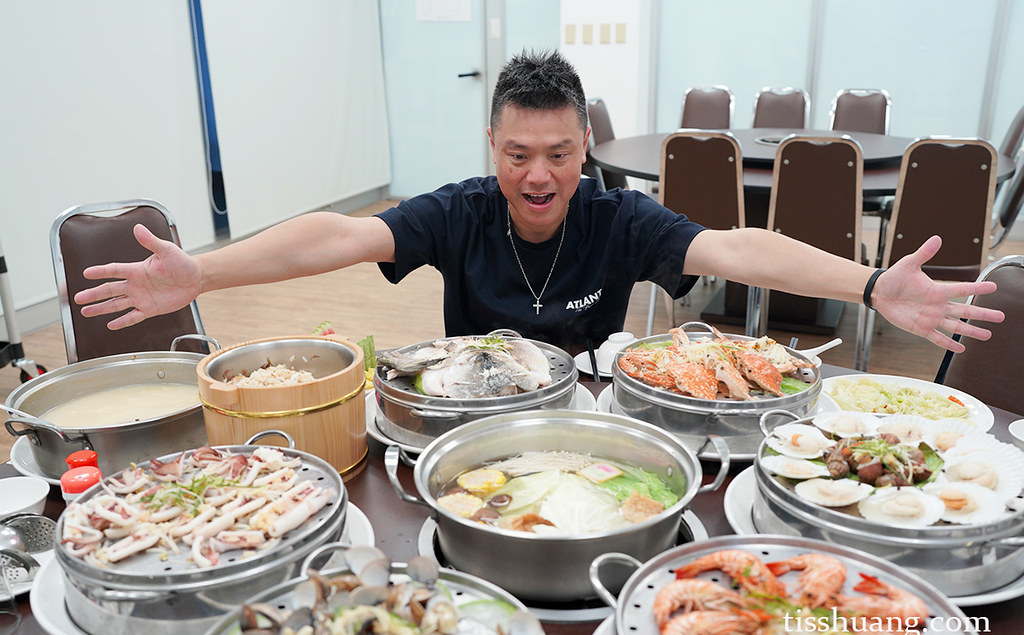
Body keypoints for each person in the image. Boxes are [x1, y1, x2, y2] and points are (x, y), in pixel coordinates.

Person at [74, 50, 1002, 356]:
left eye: (559, 153)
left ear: (584, 147)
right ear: (493, 148)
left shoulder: (617, 218)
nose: (538, 175)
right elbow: (339, 236)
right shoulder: (461, 211)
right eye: (518, 154)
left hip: (589, 416)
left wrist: (870, 283)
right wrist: (205, 274)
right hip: (470, 417)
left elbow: (739, 247)